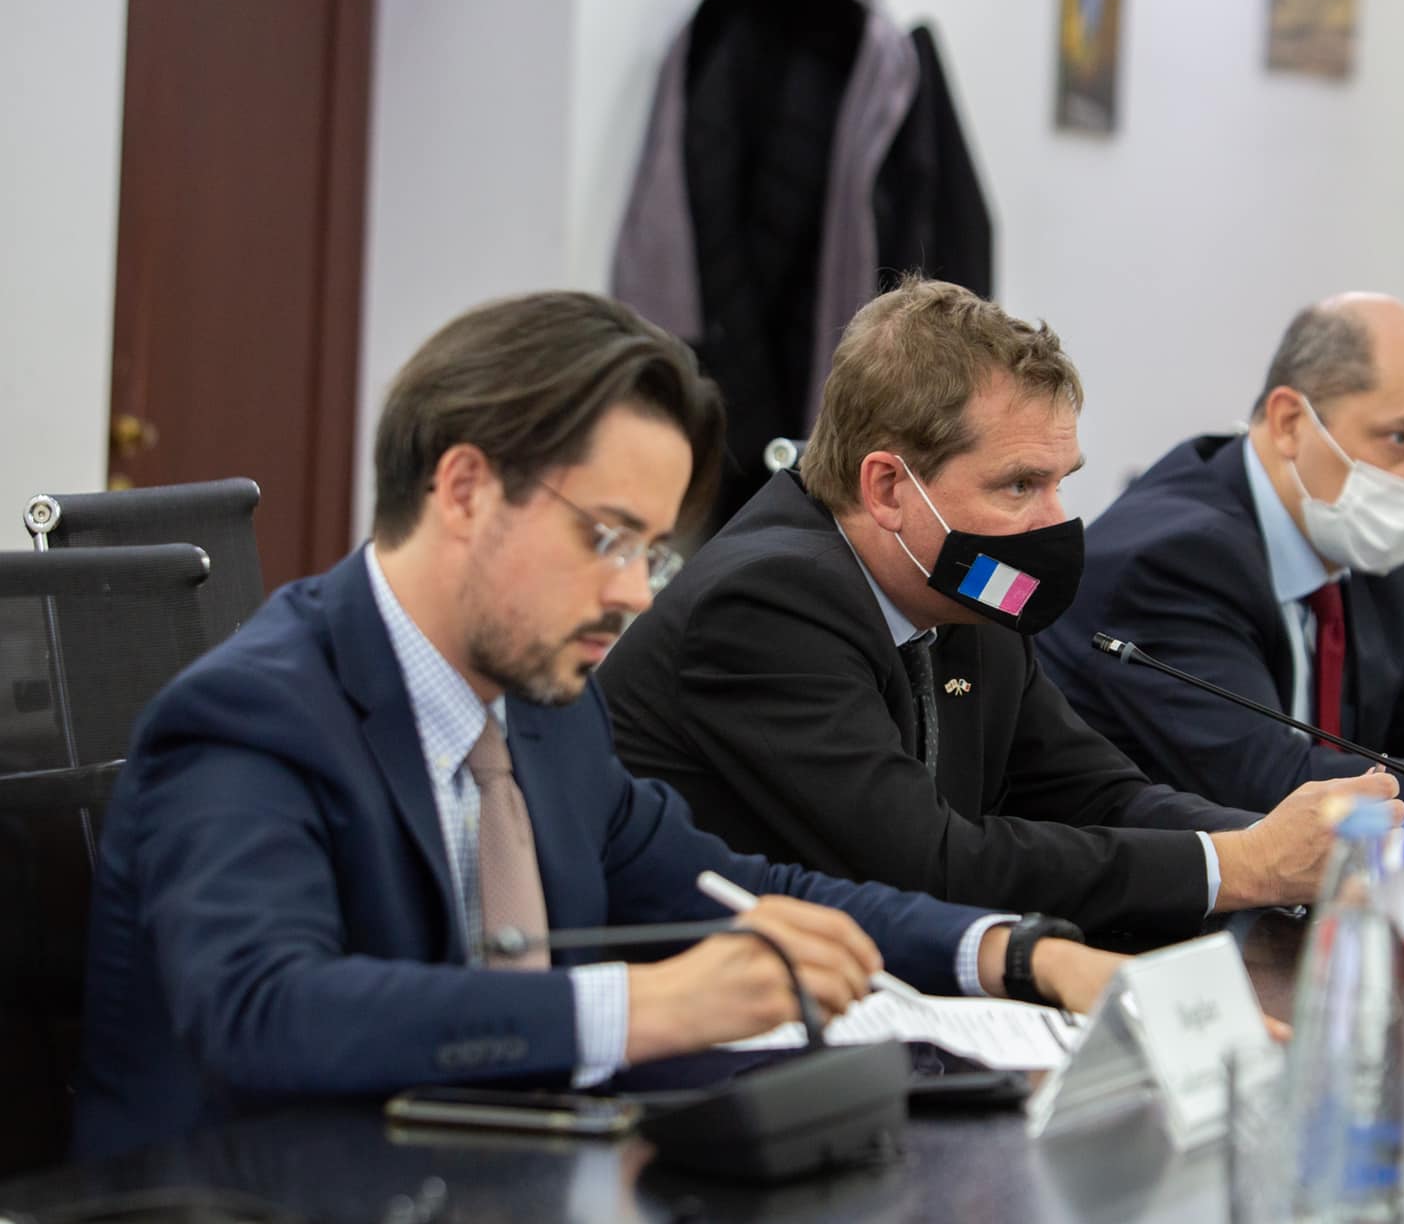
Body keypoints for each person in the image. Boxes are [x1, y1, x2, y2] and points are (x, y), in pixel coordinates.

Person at [74, 293, 1126, 1158]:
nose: (631, 593)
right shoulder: (252, 715)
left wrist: (1008, 952)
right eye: (608, 539)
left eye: (651, 552)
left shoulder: (546, 713)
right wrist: (642, 1007)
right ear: (465, 490)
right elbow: (266, 1010)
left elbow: (730, 885)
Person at [599, 278, 1397, 939]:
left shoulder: (967, 592)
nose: (1054, 522)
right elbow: (926, 865)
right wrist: (1242, 866)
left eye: (1061, 481)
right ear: (887, 487)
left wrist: (1284, 841)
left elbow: (1097, 795)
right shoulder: (768, 602)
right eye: (1019, 485)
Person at [1038, 294, 1404, 812]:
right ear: (1289, 422)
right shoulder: (1174, 559)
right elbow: (1276, 788)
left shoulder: (1363, 550)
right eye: (1400, 438)